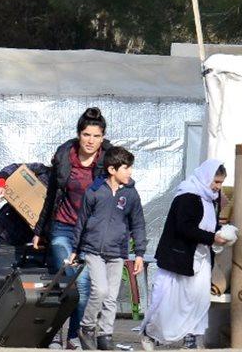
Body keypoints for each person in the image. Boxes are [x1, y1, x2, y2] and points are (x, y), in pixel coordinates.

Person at [33, 107, 113, 349]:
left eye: (96, 136)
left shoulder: (109, 162)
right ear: (79, 134)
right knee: (70, 281)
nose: (91, 141)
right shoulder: (65, 157)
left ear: (103, 137)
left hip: (90, 234)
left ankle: (73, 336)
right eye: (86, 135)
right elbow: (51, 196)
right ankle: (55, 334)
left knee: (84, 286)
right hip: (63, 229)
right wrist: (39, 230)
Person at [141, 160, 229, 350]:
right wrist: (212, 237)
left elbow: (209, 224)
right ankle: (152, 332)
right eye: (216, 182)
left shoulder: (211, 199)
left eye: (221, 183)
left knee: (197, 300)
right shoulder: (188, 197)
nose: (218, 187)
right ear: (206, 177)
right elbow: (184, 227)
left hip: (201, 258)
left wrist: (221, 233)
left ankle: (191, 338)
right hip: (181, 257)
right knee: (170, 300)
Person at [69, 146, 146, 350]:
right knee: (100, 290)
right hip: (93, 250)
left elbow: (138, 224)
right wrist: (75, 249)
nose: (130, 172)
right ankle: (87, 327)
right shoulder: (94, 191)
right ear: (112, 170)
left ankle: (105, 335)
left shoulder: (131, 194)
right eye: (126, 168)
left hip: (117, 252)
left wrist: (139, 253)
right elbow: (82, 221)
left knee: (111, 297)